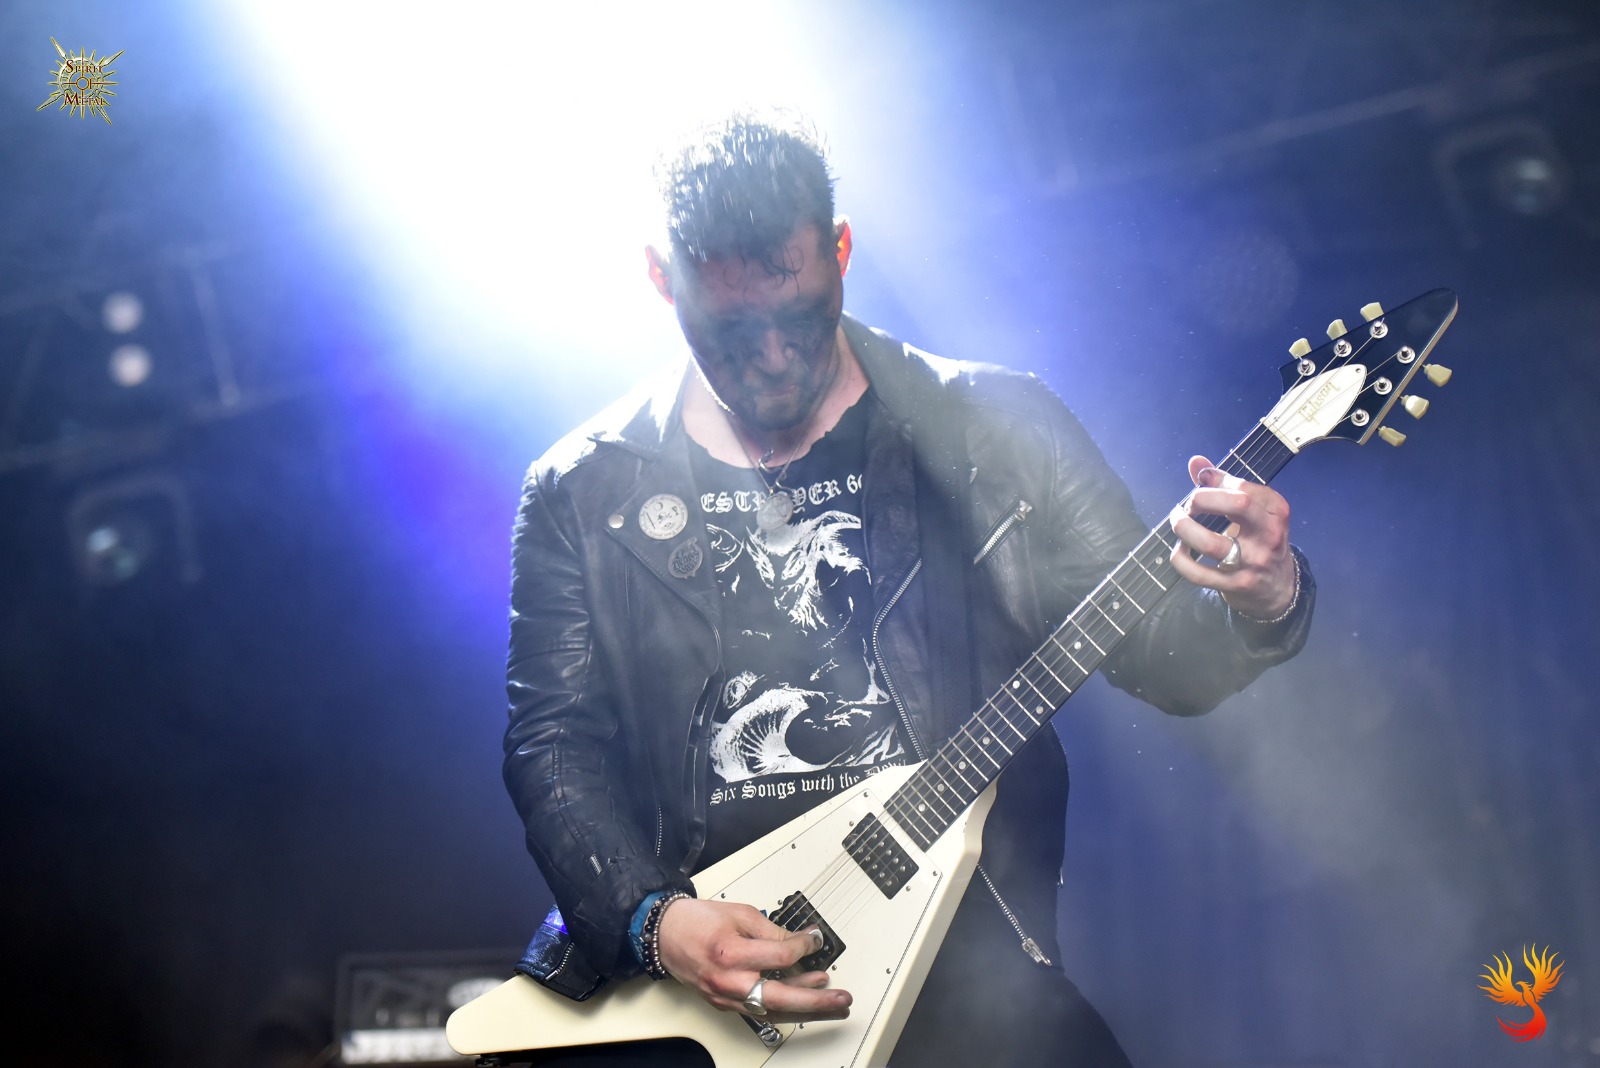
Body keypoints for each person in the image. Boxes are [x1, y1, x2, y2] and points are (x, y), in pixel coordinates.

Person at [502, 110, 1313, 1066]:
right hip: (694, 999)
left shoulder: (996, 429)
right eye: (732, 331)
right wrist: (655, 921)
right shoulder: (584, 487)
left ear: (841, 251)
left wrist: (1264, 598)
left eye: (799, 318)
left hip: (964, 968)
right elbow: (552, 743)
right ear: (659, 278)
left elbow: (1162, 657)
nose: (773, 360)